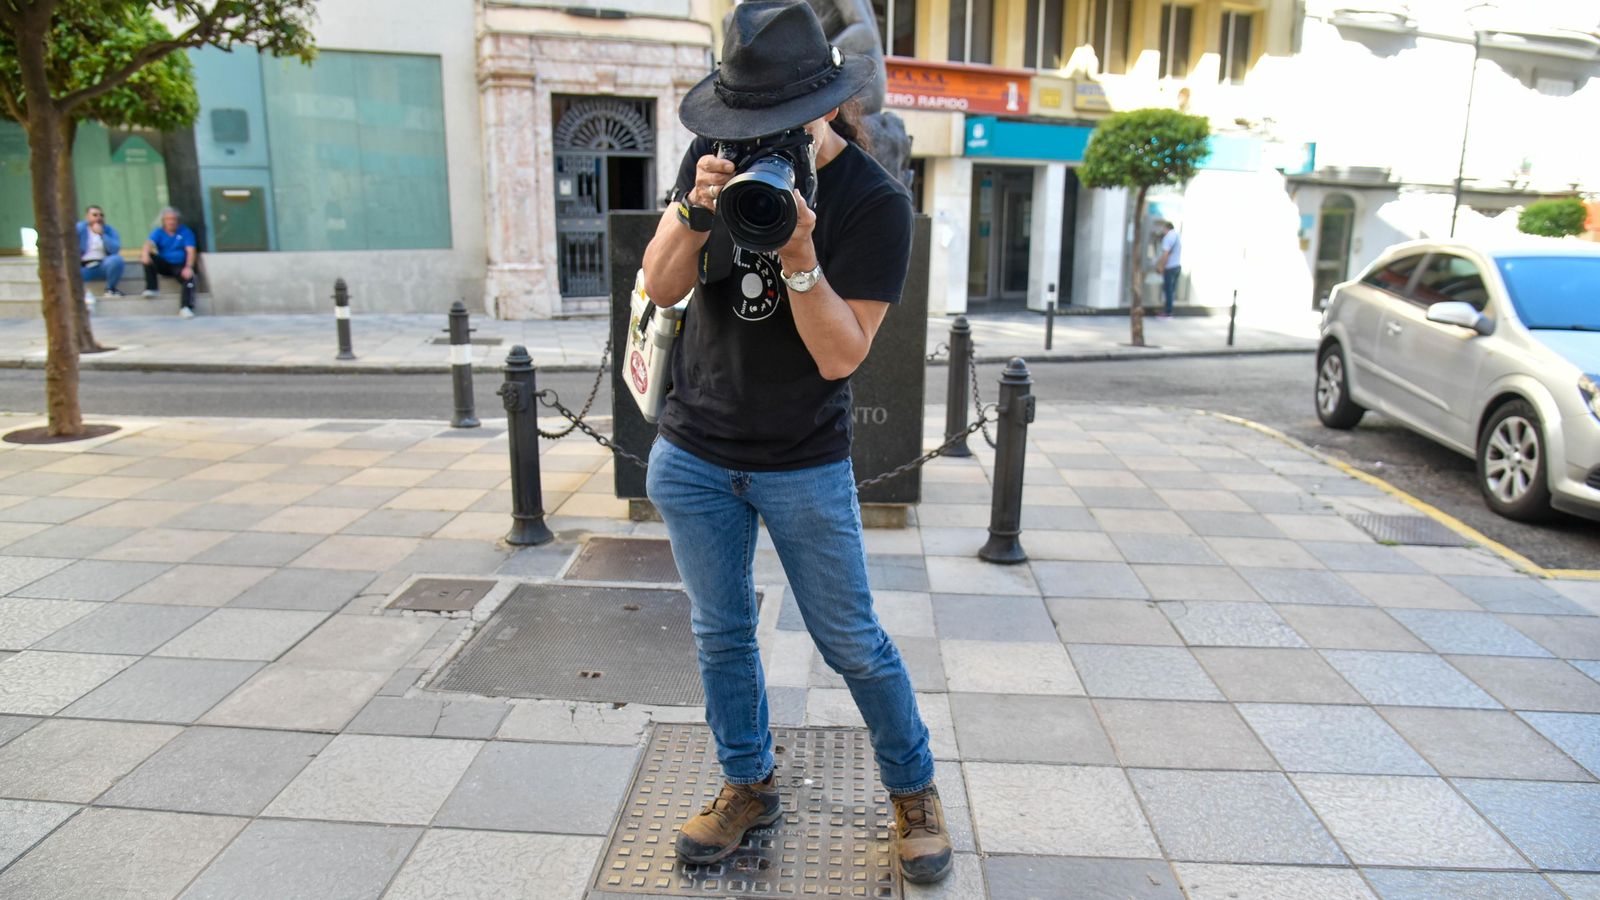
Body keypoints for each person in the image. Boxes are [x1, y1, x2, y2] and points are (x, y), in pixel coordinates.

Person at [640, 0, 950, 885]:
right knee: (722, 634)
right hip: (695, 450)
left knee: (850, 638)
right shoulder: (710, 164)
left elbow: (840, 354)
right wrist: (697, 212)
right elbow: (661, 289)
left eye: (775, 124)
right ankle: (747, 783)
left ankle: (913, 789)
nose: (756, 140)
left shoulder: (874, 205)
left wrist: (800, 254)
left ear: (823, 105)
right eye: (745, 123)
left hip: (803, 462)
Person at [141, 207, 198, 318]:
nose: (171, 222)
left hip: (179, 265)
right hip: (165, 264)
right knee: (148, 257)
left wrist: (188, 266)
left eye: (174, 219)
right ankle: (152, 288)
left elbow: (191, 251)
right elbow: (148, 243)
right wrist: (145, 254)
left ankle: (186, 307)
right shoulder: (159, 232)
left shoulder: (185, 232)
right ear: (163, 221)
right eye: (168, 219)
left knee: (190, 278)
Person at [77, 205, 125, 298]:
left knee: (117, 260)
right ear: (87, 217)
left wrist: (102, 234)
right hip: (83, 267)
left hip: (102, 265)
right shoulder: (79, 228)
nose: (99, 217)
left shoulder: (109, 230)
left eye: (101, 215)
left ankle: (110, 289)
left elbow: (115, 250)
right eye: (95, 215)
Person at [1155, 218, 1182, 318]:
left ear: (1166, 228)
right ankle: (1168, 309)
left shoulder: (1168, 237)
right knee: (1171, 290)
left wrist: (1161, 266)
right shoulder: (1177, 236)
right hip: (1177, 266)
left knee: (1168, 290)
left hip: (1170, 267)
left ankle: (1168, 311)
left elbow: (1165, 254)